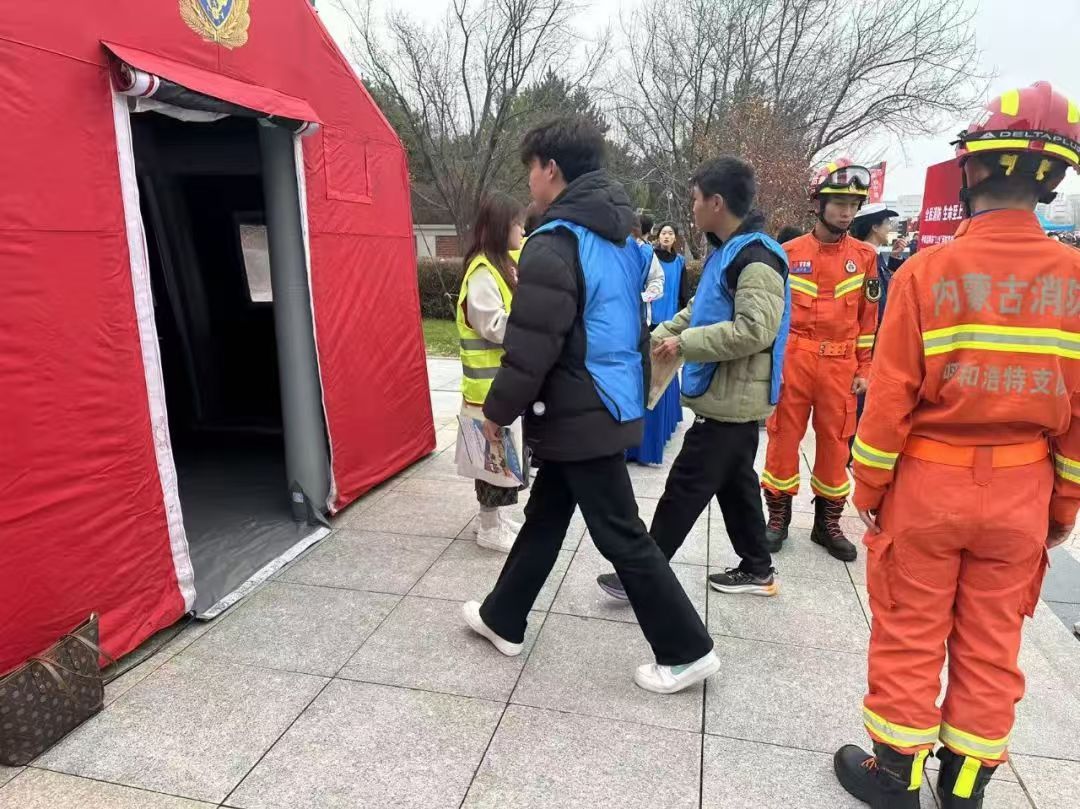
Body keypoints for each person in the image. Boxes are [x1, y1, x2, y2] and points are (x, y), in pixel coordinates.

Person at [833, 81, 1080, 809]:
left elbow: (888, 403)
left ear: (971, 170)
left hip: (927, 487)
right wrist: (1063, 507)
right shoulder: (1075, 281)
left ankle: (896, 779)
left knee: (911, 633)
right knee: (992, 644)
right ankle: (966, 787)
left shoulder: (926, 271)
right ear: (1052, 182)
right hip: (1023, 490)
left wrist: (868, 490)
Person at [462, 116, 719, 694]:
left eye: (531, 168)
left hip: (581, 409)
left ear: (551, 168)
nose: (529, 180)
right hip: (606, 401)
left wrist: (496, 412)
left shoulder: (555, 243)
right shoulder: (620, 241)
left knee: (620, 533)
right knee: (546, 516)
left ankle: (687, 650)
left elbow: (532, 345)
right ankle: (503, 617)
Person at [597, 157, 791, 600]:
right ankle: (757, 567)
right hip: (728, 396)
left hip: (731, 398)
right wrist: (652, 339)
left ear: (716, 202)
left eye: (696, 199)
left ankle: (641, 577)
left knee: (684, 487)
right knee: (736, 486)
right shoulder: (729, 251)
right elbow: (698, 311)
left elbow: (754, 330)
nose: (693, 207)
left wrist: (684, 345)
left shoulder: (756, 257)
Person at [761, 159, 880, 560]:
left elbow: (868, 319)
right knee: (783, 438)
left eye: (853, 204)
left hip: (841, 364)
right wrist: (770, 366)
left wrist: (865, 367)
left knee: (835, 443)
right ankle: (777, 518)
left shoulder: (865, 257)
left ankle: (826, 524)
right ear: (819, 204)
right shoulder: (787, 253)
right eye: (839, 203)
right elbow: (773, 317)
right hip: (794, 358)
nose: (847, 212)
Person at [455, 194, 526, 552]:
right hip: (486, 390)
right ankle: (488, 526)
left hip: (499, 385)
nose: (522, 230)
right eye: (518, 223)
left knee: (500, 461)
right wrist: (530, 323)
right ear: (501, 227)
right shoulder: (483, 271)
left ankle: (494, 519)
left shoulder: (502, 264)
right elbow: (493, 325)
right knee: (491, 461)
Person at [627, 220, 682, 465]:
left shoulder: (646, 254)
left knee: (647, 383)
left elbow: (658, 284)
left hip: (644, 324)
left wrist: (640, 297)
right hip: (613, 327)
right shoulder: (606, 248)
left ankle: (642, 448)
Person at [851, 203, 907, 320]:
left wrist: (894, 257)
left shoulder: (873, 254)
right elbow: (877, 302)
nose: (890, 228)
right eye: (887, 223)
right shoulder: (863, 257)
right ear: (875, 227)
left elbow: (887, 285)